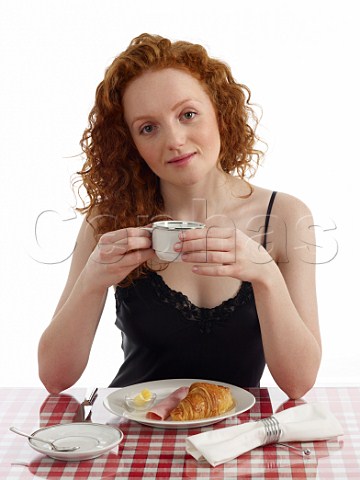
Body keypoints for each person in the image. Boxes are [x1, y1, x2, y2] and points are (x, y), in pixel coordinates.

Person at [38, 33, 321, 399]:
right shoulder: (107, 219)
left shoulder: (283, 216)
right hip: (135, 438)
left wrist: (264, 272)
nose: (174, 140)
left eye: (187, 114)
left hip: (238, 443)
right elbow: (55, 378)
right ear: (130, 143)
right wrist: (91, 280)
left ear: (220, 111)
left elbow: (299, 383)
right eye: (148, 128)